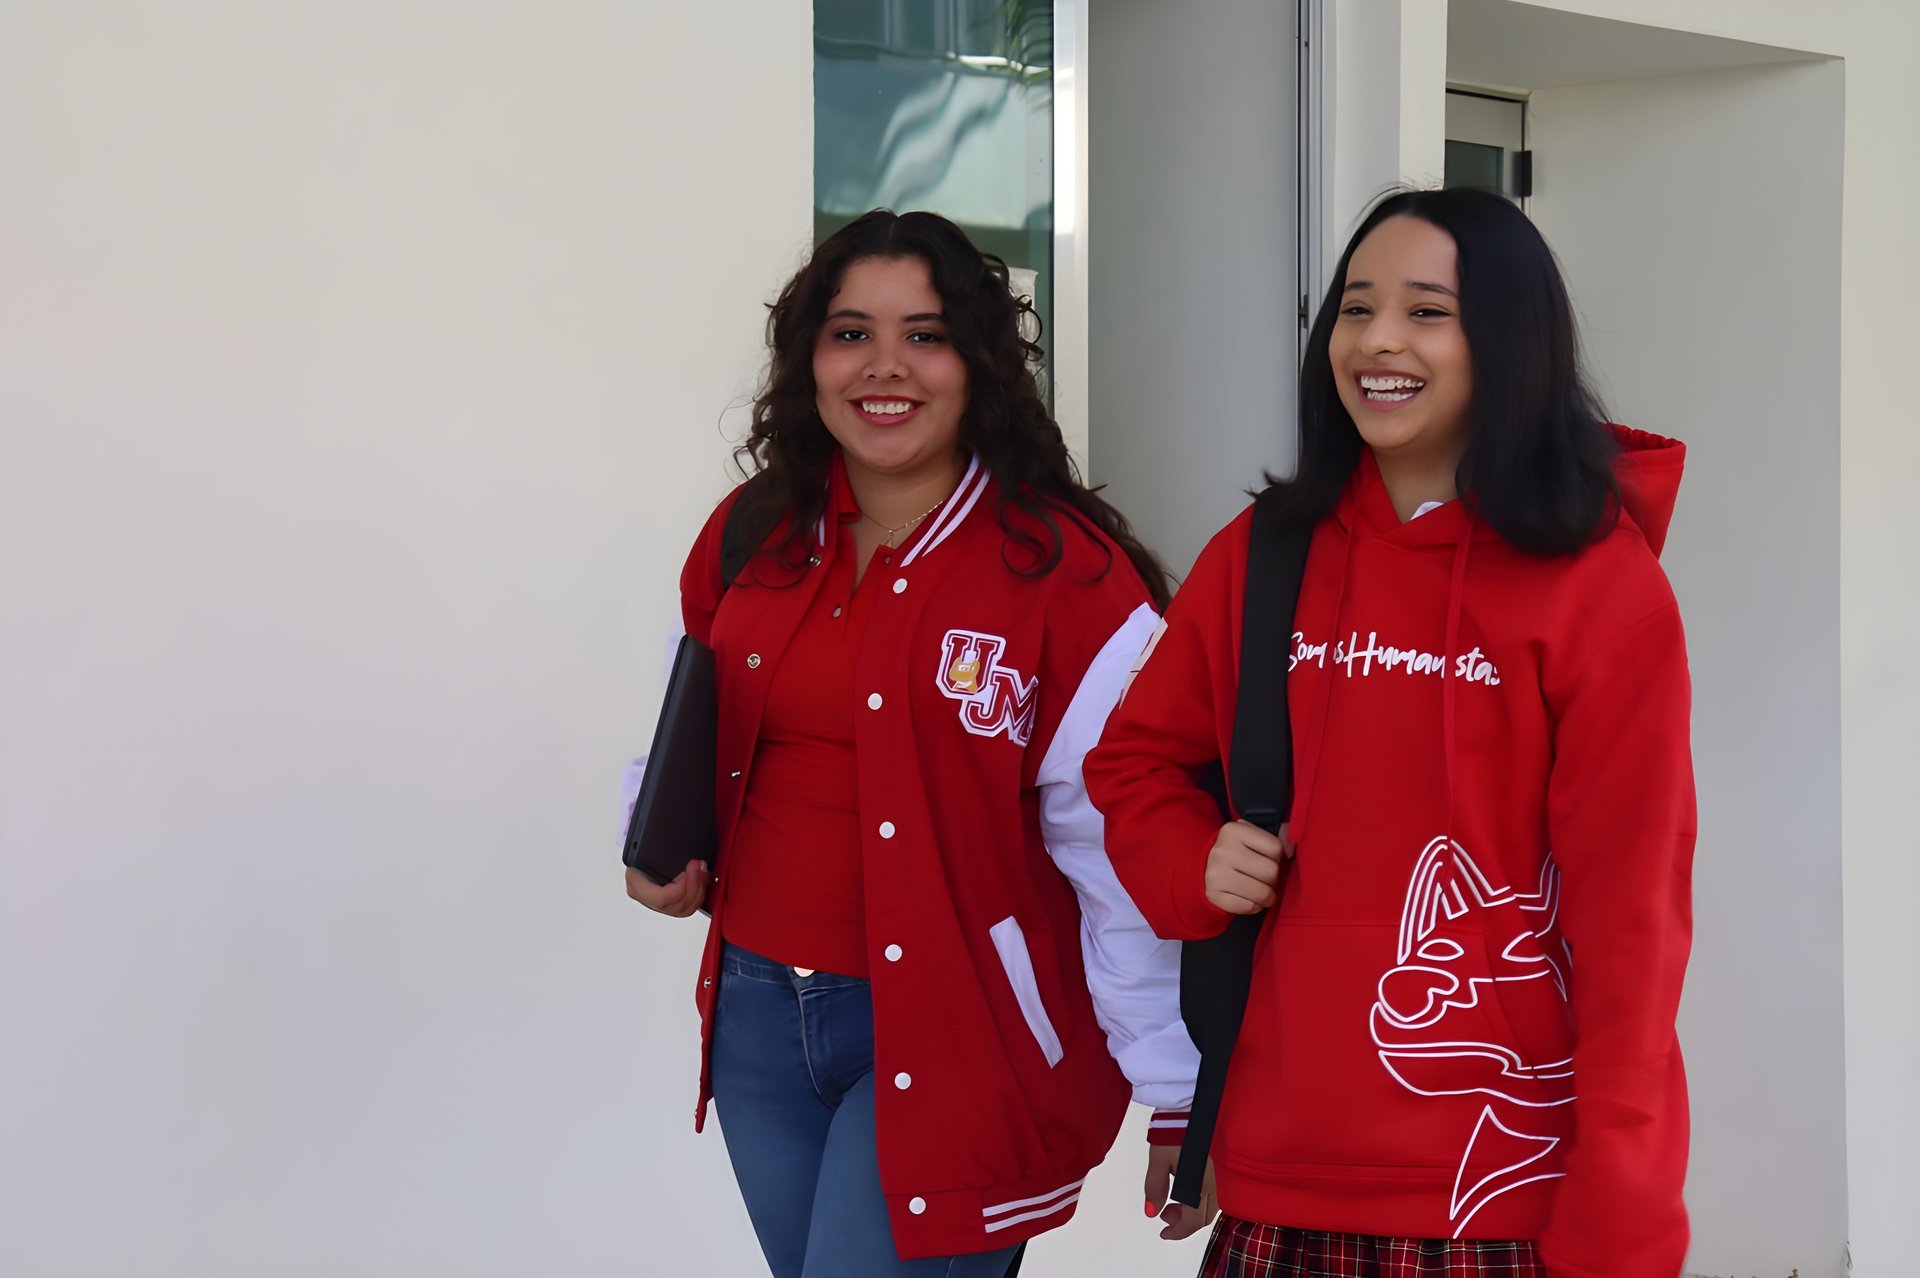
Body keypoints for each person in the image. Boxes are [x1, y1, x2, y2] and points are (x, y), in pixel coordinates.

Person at [1085, 188, 1695, 1278]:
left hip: (1498, 1193)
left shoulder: (1600, 590)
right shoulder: (1261, 555)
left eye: (1426, 312)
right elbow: (1134, 763)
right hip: (1280, 1179)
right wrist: (1193, 858)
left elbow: (1631, 922)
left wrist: (1623, 1206)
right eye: (1355, 310)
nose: (1376, 342)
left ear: (1506, 340)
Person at [624, 209, 1204, 1278]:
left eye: (926, 335)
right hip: (758, 1016)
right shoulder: (752, 531)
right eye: (851, 334)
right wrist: (656, 839)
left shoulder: (1067, 579)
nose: (884, 367)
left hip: (957, 1034)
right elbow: (689, 720)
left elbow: (1124, 844)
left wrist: (1176, 1083)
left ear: (979, 363)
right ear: (809, 357)